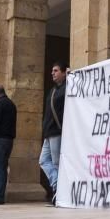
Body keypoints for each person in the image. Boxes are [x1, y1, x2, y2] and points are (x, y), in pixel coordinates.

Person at [40, 62, 66, 204]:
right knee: (43, 161)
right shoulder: (53, 90)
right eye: (52, 70)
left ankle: (59, 193)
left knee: (56, 163)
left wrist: (71, 75)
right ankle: (58, 187)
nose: (52, 73)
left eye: (56, 70)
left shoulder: (67, 87)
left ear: (63, 72)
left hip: (57, 131)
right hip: (49, 132)